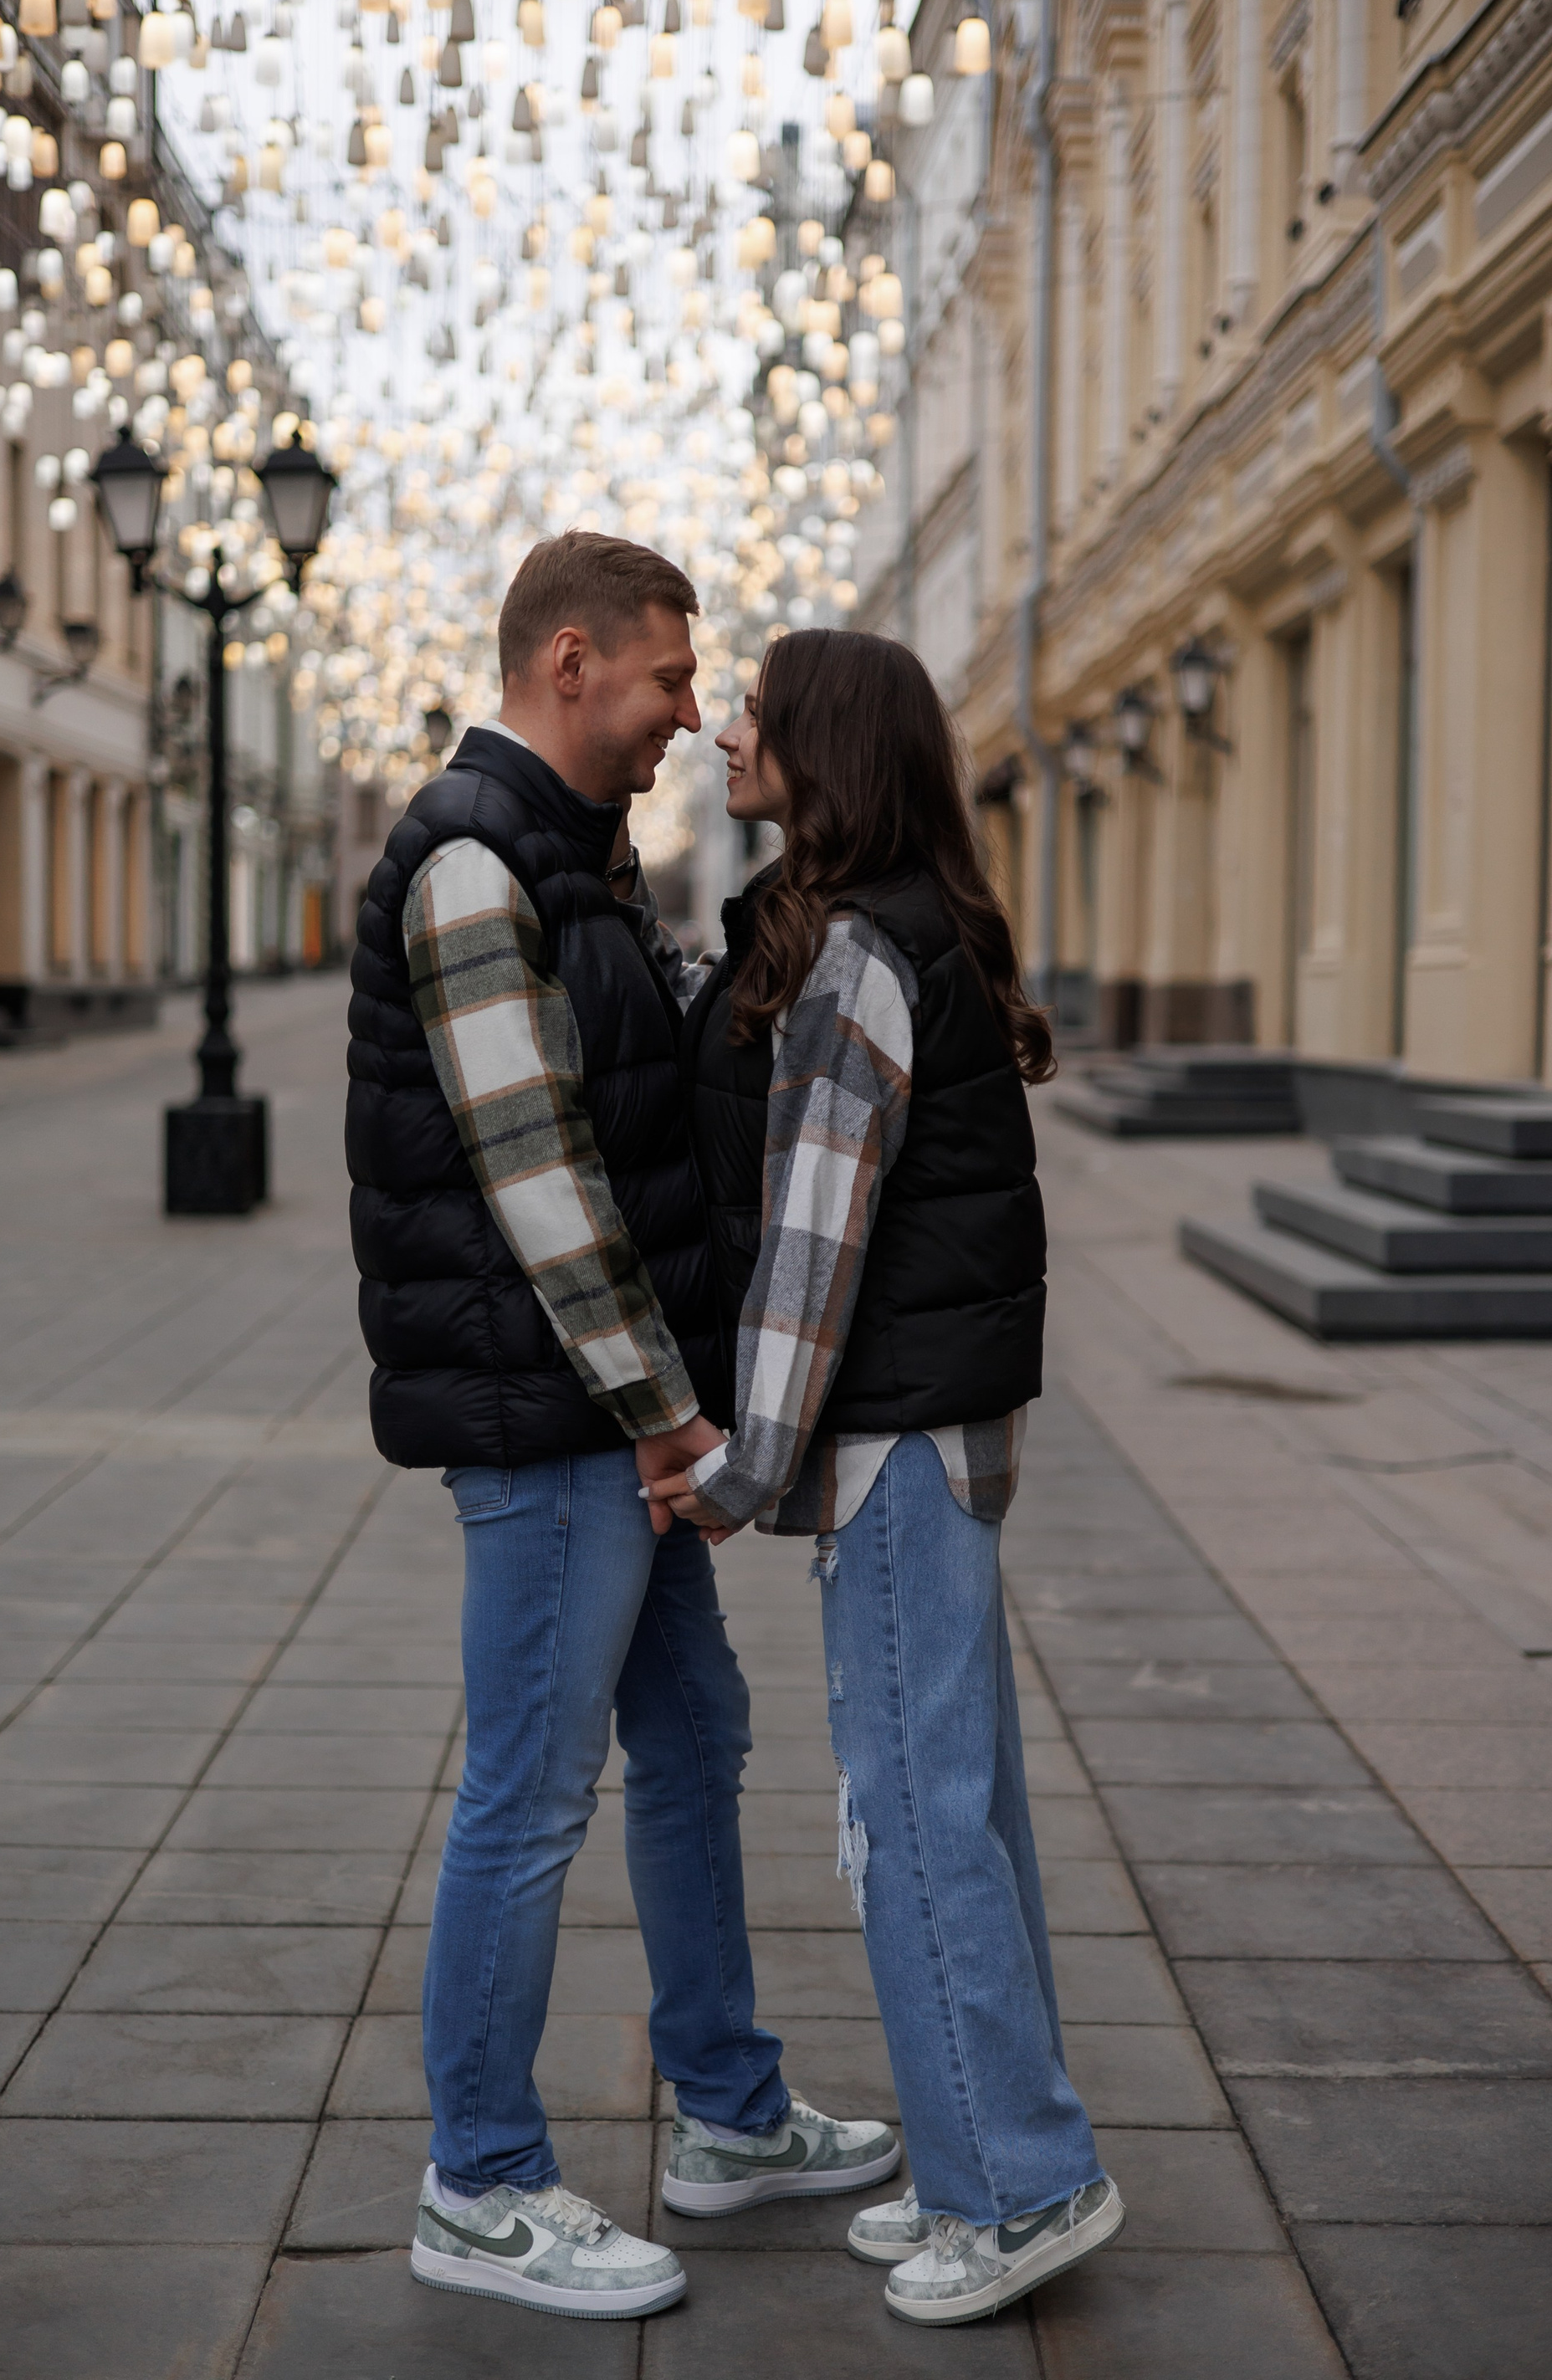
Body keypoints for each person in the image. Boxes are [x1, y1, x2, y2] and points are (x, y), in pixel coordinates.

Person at [346, 535, 898, 2324]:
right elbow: (540, 1178)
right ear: (570, 661)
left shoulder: (573, 857)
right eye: (670, 676)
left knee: (697, 1731)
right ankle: (481, 2182)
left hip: (603, 1406)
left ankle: (726, 2111)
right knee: (527, 1794)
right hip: (557, 1420)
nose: (688, 712)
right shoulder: (470, 862)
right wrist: (672, 1417)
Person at [648, 627, 1124, 2327]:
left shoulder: (858, 954)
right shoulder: (899, 924)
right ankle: (987, 2151)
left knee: (911, 1820)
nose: (728, 732)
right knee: (957, 1808)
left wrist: (743, 1468)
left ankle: (1022, 2187)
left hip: (898, 1446)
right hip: (942, 1434)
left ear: (829, 751)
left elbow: (812, 1249)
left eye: (757, 712)